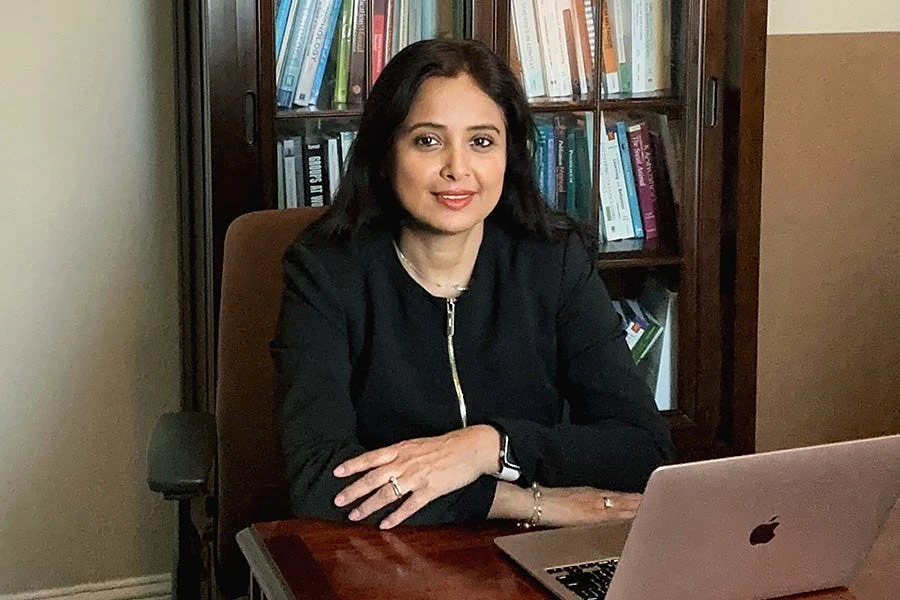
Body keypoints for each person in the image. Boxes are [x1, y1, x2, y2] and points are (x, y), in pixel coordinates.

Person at [271, 38, 674, 531]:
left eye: (481, 141)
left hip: (533, 553)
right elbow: (319, 481)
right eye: (428, 140)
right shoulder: (324, 272)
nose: (457, 169)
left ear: (509, 155)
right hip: (389, 552)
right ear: (384, 154)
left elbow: (642, 447)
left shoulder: (555, 260)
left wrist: (488, 446)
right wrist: (516, 501)